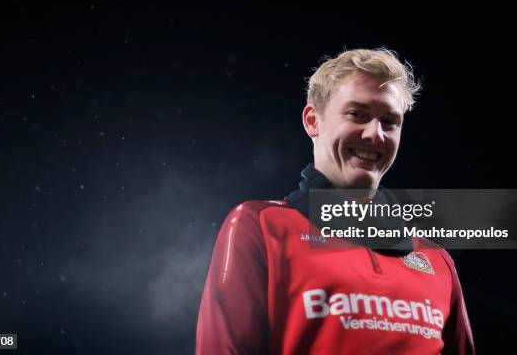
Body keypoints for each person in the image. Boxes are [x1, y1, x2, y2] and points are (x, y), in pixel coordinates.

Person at [196, 48, 475, 354]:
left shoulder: (437, 261)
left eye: (390, 121)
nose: (375, 134)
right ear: (312, 121)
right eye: (358, 114)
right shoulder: (260, 226)